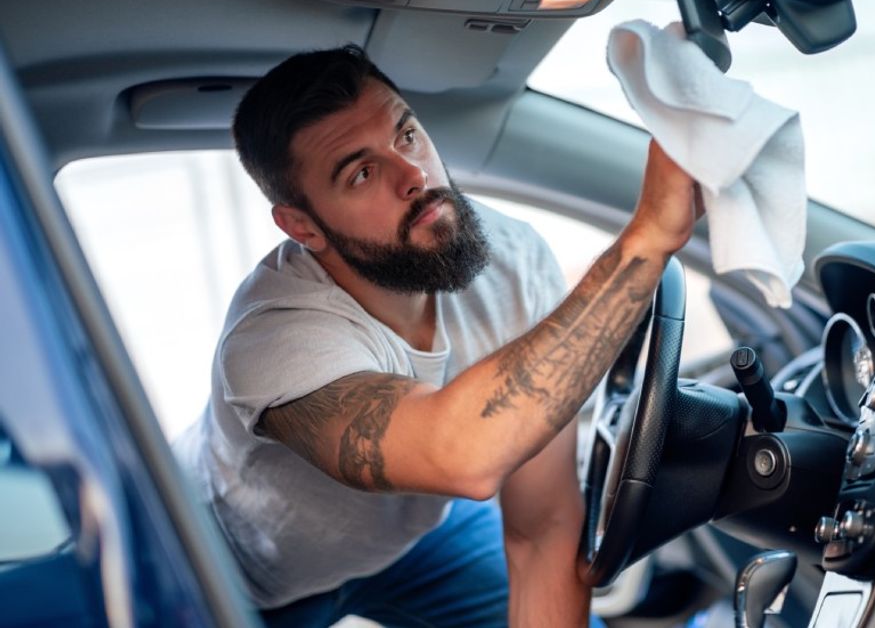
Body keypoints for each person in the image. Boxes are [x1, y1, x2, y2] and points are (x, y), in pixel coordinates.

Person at [174, 44, 700, 627]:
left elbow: (541, 529)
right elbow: (463, 456)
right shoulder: (271, 341)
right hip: (241, 573)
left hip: (421, 541)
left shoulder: (513, 260)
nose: (415, 175)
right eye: (363, 172)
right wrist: (647, 239)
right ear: (302, 226)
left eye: (406, 135)